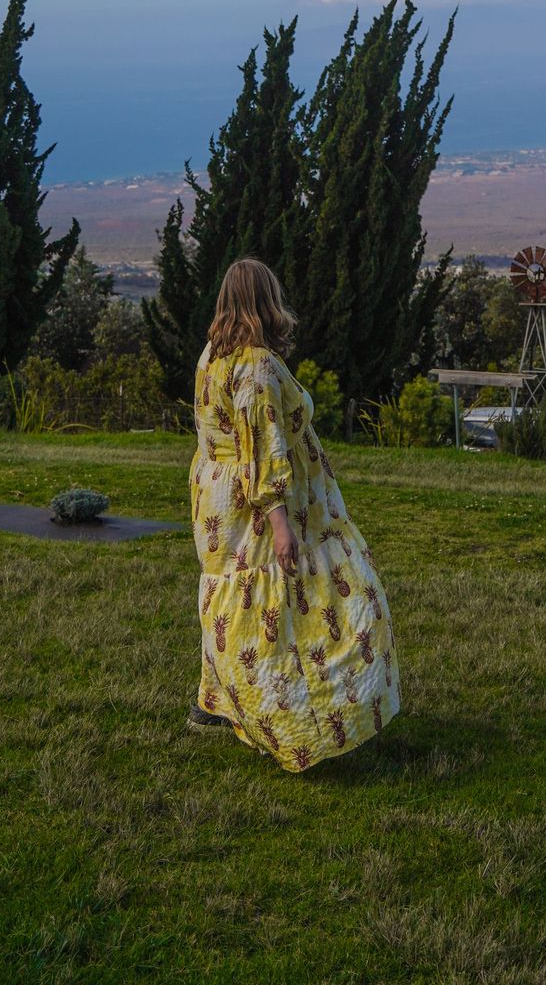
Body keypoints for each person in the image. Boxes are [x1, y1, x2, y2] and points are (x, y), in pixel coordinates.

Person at [186, 257, 400, 768]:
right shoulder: (256, 364)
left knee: (234, 598)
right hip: (264, 506)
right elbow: (264, 446)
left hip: (216, 501)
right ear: (267, 299)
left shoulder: (211, 356)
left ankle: (213, 703)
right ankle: (297, 716)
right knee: (292, 601)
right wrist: (280, 523)